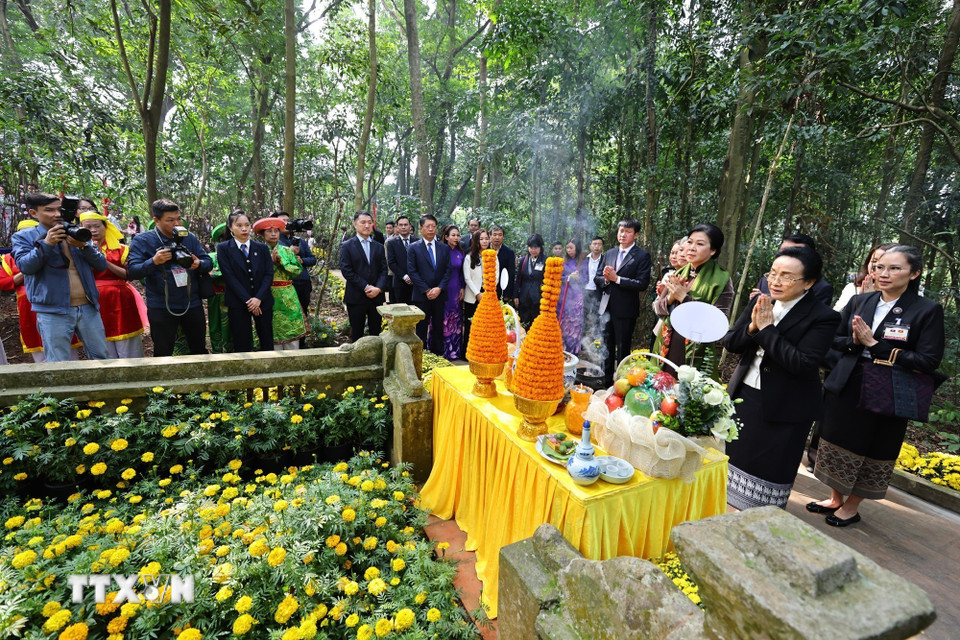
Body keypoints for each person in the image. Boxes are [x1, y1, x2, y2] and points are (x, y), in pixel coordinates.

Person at [809, 245, 945, 527]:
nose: (884, 273)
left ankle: (852, 506)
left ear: (915, 273)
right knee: (837, 438)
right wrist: (854, 342)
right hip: (849, 382)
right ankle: (835, 498)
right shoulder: (863, 301)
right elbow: (835, 338)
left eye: (895, 268)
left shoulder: (926, 310)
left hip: (889, 389)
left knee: (872, 446)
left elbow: (928, 359)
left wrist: (875, 345)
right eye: (880, 266)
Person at [722, 246, 840, 510]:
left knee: (767, 470)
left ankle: (759, 525)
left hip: (786, 406)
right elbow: (731, 342)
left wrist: (766, 330)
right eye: (773, 273)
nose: (775, 281)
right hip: (745, 396)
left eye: (787, 276)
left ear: (808, 282)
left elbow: (802, 363)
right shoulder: (760, 302)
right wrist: (752, 327)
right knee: (733, 461)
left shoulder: (824, 317)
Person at [11, 192, 109, 361]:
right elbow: (26, 266)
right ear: (34, 213)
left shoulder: (76, 232)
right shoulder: (23, 237)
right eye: (49, 210)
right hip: (52, 310)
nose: (57, 214)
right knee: (58, 361)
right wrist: (47, 244)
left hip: (88, 307)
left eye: (59, 209)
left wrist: (85, 246)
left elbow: (101, 265)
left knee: (101, 357)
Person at [128, 198, 212, 356]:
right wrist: (154, 261)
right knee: (163, 350)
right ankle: (163, 381)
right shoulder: (143, 240)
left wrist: (198, 263)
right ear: (156, 220)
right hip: (161, 305)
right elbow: (132, 271)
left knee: (198, 348)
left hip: (191, 302)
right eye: (170, 220)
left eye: (179, 218)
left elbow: (208, 262)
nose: (176, 224)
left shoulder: (189, 237)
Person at [653, 223, 732, 378]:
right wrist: (670, 298)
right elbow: (657, 308)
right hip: (667, 343)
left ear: (713, 251)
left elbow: (717, 324)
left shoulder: (721, 280)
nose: (691, 247)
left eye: (700, 244)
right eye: (689, 242)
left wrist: (684, 298)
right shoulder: (679, 273)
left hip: (696, 351)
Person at [1, 220, 82, 362]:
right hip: (27, 304)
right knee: (34, 336)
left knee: (63, 336)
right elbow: (3, 282)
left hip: (53, 298)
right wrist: (27, 269)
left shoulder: (56, 249)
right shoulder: (8, 259)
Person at [79, 205, 147, 359]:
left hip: (120, 299)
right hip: (91, 299)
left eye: (97, 226)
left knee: (128, 341)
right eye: (88, 227)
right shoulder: (77, 250)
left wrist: (103, 261)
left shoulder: (121, 249)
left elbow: (128, 275)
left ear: (106, 227)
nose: (93, 230)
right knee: (100, 341)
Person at [595, 219, 652, 385]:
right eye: (621, 231)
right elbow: (597, 277)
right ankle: (606, 383)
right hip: (607, 308)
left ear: (636, 235)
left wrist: (617, 279)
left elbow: (642, 284)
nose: (623, 234)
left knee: (623, 349)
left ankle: (621, 385)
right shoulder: (610, 253)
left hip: (626, 310)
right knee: (606, 347)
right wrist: (605, 280)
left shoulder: (642, 256)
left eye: (627, 231)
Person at [217, 211, 274, 353]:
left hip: (262, 301)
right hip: (238, 302)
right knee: (242, 341)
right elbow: (229, 277)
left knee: (267, 339)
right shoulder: (224, 248)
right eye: (239, 225)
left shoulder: (261, 248)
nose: (244, 229)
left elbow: (268, 274)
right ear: (230, 227)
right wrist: (249, 300)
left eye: (247, 225)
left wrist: (258, 298)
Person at [257, 217, 308, 350]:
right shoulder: (257, 251)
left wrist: (282, 264)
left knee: (291, 328)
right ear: (263, 234)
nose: (274, 234)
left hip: (287, 294)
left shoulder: (286, 251)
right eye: (269, 231)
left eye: (276, 231)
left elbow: (297, 270)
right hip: (267, 294)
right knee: (270, 329)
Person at [340, 211, 388, 342]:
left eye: (369, 223)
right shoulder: (347, 246)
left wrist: (378, 288)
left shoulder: (378, 247)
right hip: (356, 297)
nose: (367, 226)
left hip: (376, 298)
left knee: (376, 334)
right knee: (357, 335)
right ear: (355, 225)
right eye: (363, 222)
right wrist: (366, 287)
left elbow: (384, 270)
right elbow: (347, 271)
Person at [407, 214, 452, 353]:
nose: (431, 229)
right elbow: (412, 271)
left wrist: (439, 288)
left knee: (438, 327)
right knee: (421, 328)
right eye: (428, 226)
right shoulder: (413, 248)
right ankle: (421, 357)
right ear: (421, 228)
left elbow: (448, 271)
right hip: (422, 296)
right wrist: (426, 290)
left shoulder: (444, 248)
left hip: (439, 295)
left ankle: (438, 356)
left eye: (433, 226)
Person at [752, 233, 834, 306]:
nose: (775, 283)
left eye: (795, 252)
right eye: (784, 251)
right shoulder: (766, 278)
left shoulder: (822, 288)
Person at [272, 211, 317, 317]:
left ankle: (304, 333)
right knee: (289, 315)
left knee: (303, 313)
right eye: (283, 221)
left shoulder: (300, 241)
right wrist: (289, 252)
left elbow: (312, 259)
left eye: (288, 220)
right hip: (287, 284)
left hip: (304, 283)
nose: (287, 223)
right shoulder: (275, 242)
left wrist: (302, 260)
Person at [833, 242, 897, 312]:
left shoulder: (896, 295)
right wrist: (859, 300)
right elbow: (837, 316)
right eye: (874, 261)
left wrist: (870, 298)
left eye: (884, 262)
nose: (877, 266)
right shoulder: (852, 288)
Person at [435, 224, 465, 360]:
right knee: (442, 320)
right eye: (453, 235)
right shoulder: (441, 251)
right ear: (446, 237)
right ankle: (441, 351)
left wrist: (462, 288)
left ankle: (454, 352)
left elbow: (462, 273)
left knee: (456, 320)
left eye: (458, 235)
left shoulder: (460, 252)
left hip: (457, 289)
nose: (456, 238)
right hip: (444, 288)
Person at [463, 229, 495, 346]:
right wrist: (477, 293)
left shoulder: (493, 256)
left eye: (486, 238)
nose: (484, 241)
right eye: (481, 239)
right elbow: (467, 278)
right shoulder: (469, 257)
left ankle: (483, 349)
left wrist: (487, 292)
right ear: (476, 241)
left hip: (488, 296)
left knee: (486, 326)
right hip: (472, 296)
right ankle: (467, 352)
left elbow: (496, 277)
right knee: (470, 325)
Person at [207, 223, 233, 353]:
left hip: (235, 295)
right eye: (223, 238)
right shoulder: (212, 257)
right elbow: (210, 274)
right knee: (216, 325)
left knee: (235, 326)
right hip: (217, 297)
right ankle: (218, 352)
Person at [559, 240, 586, 355]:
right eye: (567, 248)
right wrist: (568, 277)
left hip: (576, 296)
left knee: (574, 324)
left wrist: (578, 278)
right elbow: (559, 276)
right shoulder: (564, 261)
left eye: (571, 248)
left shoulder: (583, 261)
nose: (568, 250)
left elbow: (586, 278)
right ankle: (562, 349)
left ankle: (573, 351)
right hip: (564, 295)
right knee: (563, 322)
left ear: (577, 248)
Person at [516, 234, 547, 325]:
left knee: (536, 325)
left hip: (538, 299)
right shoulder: (523, 260)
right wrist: (516, 296)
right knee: (523, 324)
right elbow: (518, 279)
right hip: (524, 298)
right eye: (531, 247)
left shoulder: (546, 261)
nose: (533, 250)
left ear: (540, 247)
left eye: (536, 247)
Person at [386, 216, 415, 304]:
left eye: (405, 225)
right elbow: (391, 262)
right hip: (399, 282)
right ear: (397, 227)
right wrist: (405, 276)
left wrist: (414, 276)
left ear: (410, 226)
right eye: (401, 225)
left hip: (416, 283)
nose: (403, 227)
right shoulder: (391, 243)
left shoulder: (417, 242)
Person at [582, 236, 604, 347]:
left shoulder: (605, 259)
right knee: (583, 315)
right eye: (594, 244)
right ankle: (581, 341)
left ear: (602, 246)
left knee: (597, 316)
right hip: (585, 291)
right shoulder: (584, 259)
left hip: (598, 292)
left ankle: (596, 342)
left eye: (599, 244)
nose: (597, 246)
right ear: (590, 246)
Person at [490, 225, 517, 307]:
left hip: (501, 290)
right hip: (486, 288)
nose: (497, 237)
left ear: (503, 237)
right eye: (494, 235)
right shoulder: (485, 249)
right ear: (490, 236)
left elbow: (511, 273)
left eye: (500, 235)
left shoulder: (509, 252)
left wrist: (507, 294)